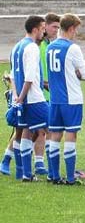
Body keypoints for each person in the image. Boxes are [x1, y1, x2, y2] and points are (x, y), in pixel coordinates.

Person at [47, 13, 85, 185]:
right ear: (72, 28)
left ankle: (54, 175)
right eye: (76, 30)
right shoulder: (72, 48)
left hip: (55, 99)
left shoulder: (51, 46)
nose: (76, 33)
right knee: (71, 136)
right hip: (71, 98)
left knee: (55, 136)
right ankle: (71, 178)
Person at [12, 15, 48, 182]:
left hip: (23, 98)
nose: (44, 32)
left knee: (28, 131)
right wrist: (23, 96)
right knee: (55, 128)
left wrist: (17, 97)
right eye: (42, 28)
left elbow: (12, 75)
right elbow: (30, 77)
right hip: (34, 98)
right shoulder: (32, 47)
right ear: (35, 29)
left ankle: (25, 173)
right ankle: (53, 173)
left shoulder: (17, 46)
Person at [37, 12, 60, 178]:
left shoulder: (47, 45)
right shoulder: (38, 46)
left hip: (45, 92)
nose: (56, 30)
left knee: (34, 130)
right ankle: (45, 164)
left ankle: (39, 163)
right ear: (45, 26)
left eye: (58, 28)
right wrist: (46, 84)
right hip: (39, 92)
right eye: (54, 27)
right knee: (44, 130)